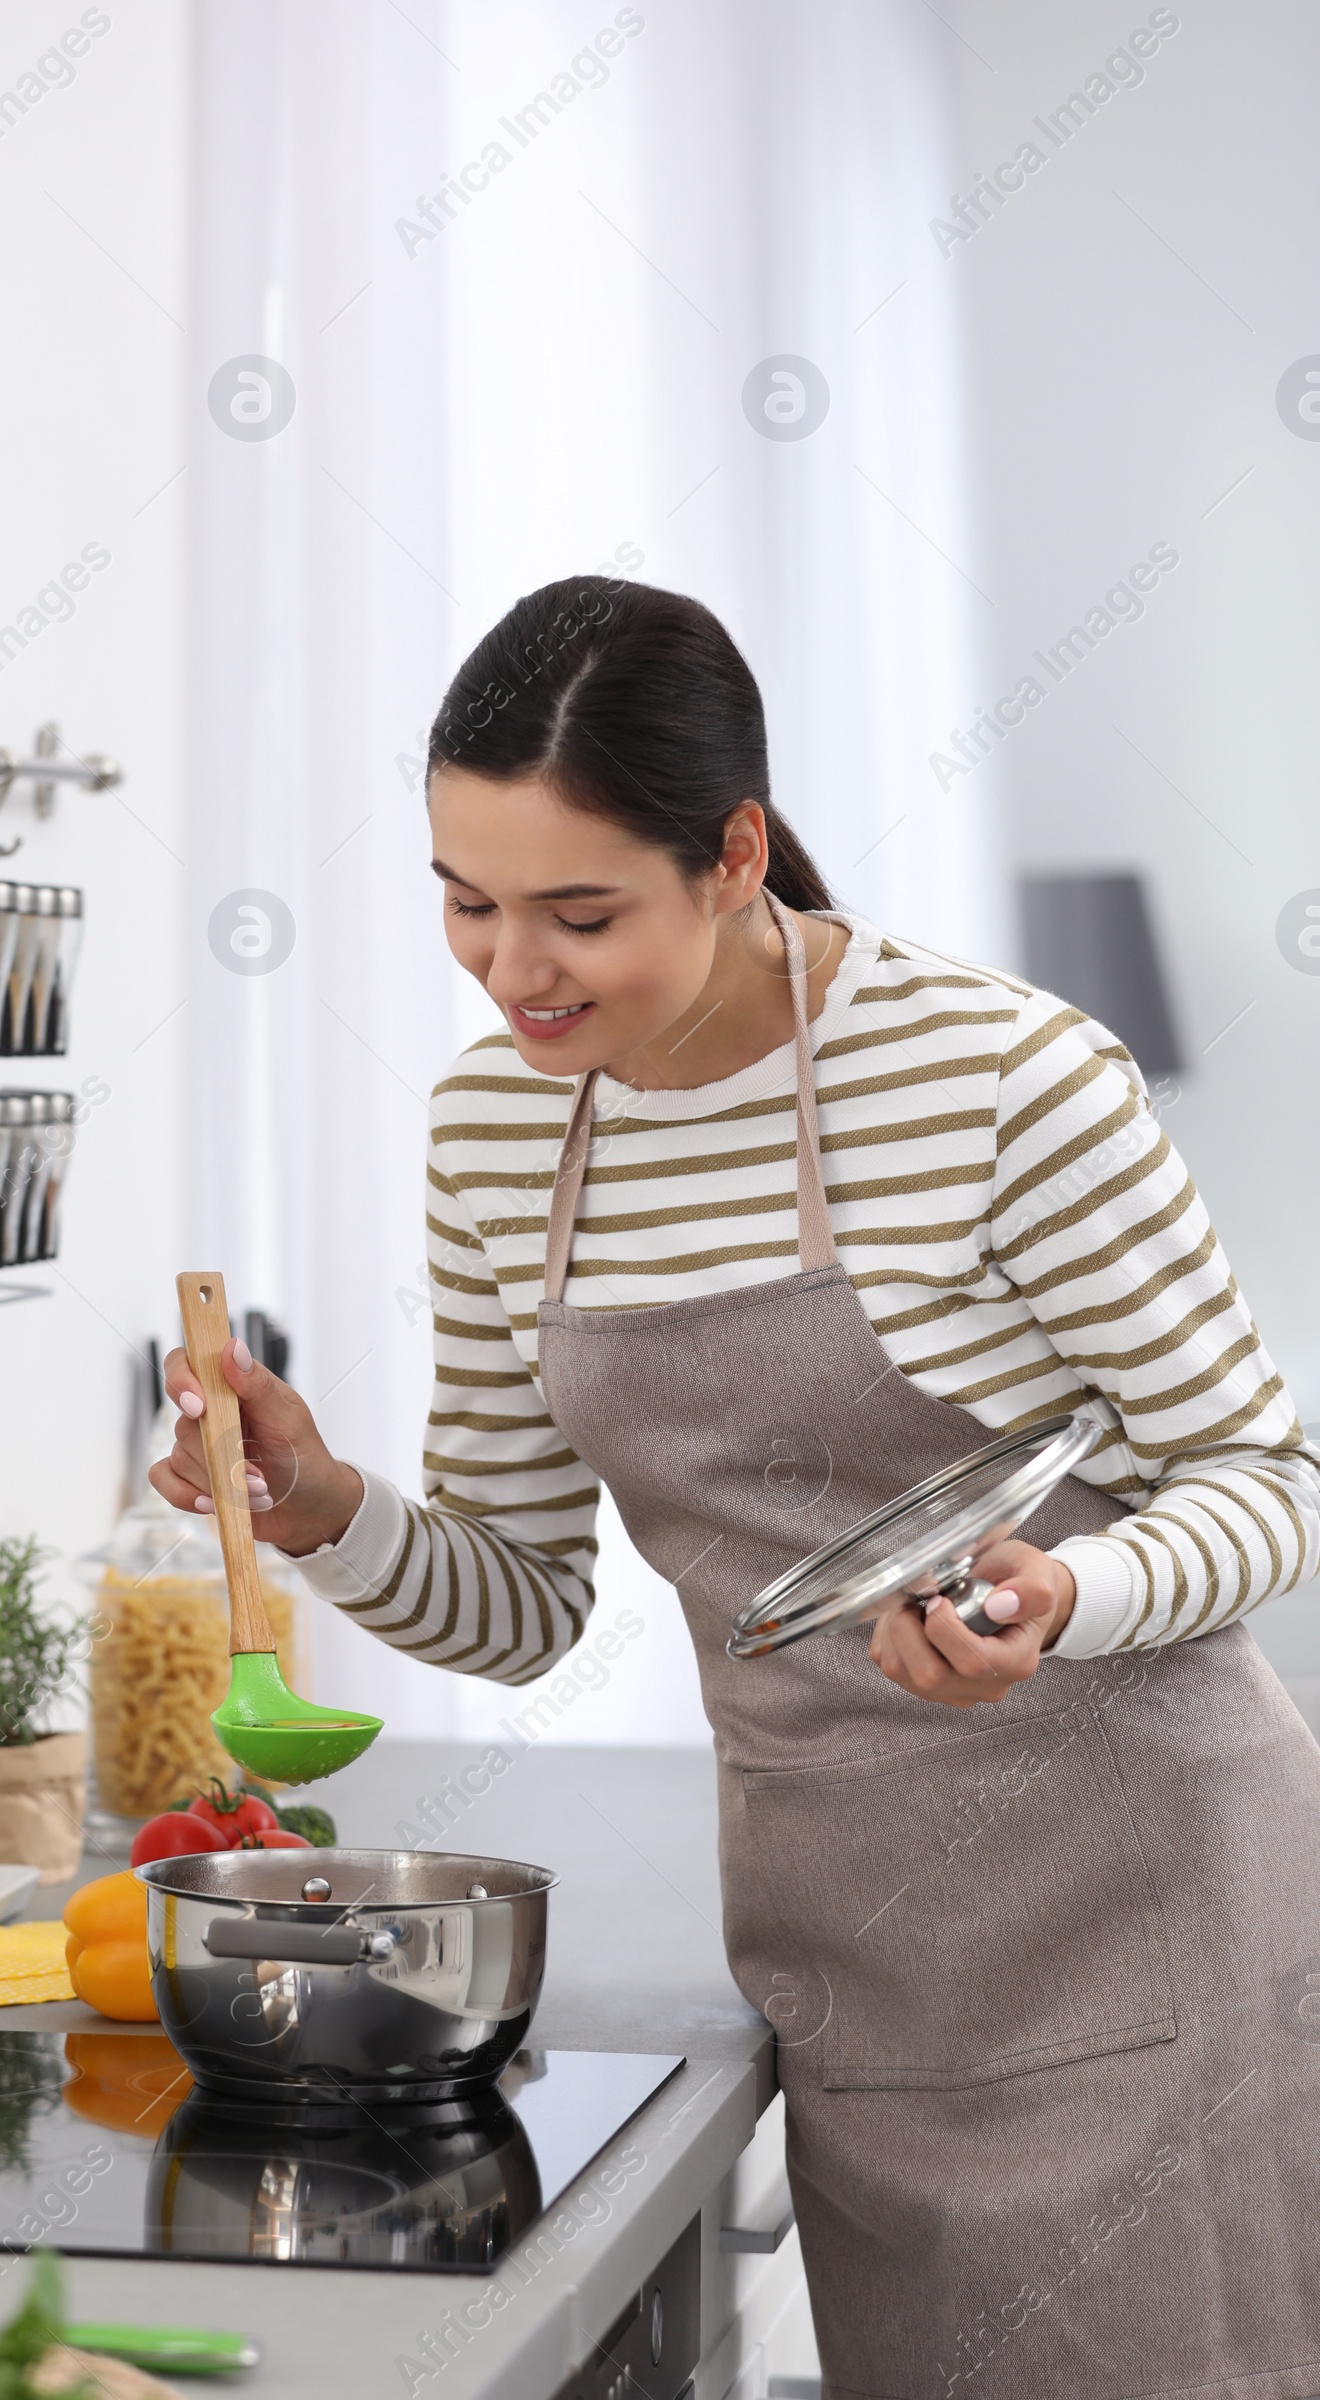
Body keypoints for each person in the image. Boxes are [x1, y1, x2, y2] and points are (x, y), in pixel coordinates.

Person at [154, 577, 1320, 2398]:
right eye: (465, 903)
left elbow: (1266, 1476)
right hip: (854, 1946)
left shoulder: (996, 1077)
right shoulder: (497, 1129)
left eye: (577, 912)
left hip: (1147, 1911)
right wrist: (320, 1502)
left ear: (734, 854)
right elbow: (522, 1604)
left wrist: (1068, 1598)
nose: (513, 972)